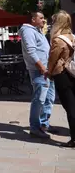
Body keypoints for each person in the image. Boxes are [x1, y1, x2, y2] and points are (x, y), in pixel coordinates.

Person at [20, 11, 55, 139]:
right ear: (33, 19)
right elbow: (31, 51)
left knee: (49, 98)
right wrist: (41, 67)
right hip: (39, 71)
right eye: (41, 18)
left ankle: (44, 124)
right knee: (39, 99)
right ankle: (35, 128)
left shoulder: (37, 31)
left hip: (47, 70)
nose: (44, 20)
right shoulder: (28, 31)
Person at [47, 10, 75, 147]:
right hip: (73, 72)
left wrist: (49, 72)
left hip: (62, 74)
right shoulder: (73, 37)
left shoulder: (58, 40)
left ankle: (74, 139)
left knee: (70, 107)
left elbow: (52, 59)